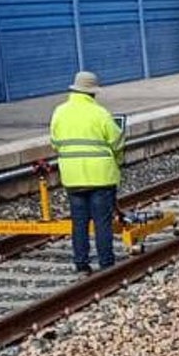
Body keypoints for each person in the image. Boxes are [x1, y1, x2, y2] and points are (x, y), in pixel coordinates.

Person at [51, 71, 125, 274]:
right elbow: (117, 142)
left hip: (73, 178)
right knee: (102, 222)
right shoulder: (100, 113)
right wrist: (118, 162)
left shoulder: (60, 112)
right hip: (100, 177)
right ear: (93, 93)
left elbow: (55, 143)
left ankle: (81, 262)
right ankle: (106, 263)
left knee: (79, 222)